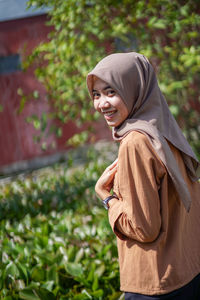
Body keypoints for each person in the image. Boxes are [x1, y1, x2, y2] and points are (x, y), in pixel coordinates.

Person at [86, 52, 200, 300]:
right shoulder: (163, 127)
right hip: (188, 272)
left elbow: (145, 228)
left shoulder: (135, 142)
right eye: (96, 94)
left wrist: (106, 197)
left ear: (134, 89)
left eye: (111, 92)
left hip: (155, 281)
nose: (101, 104)